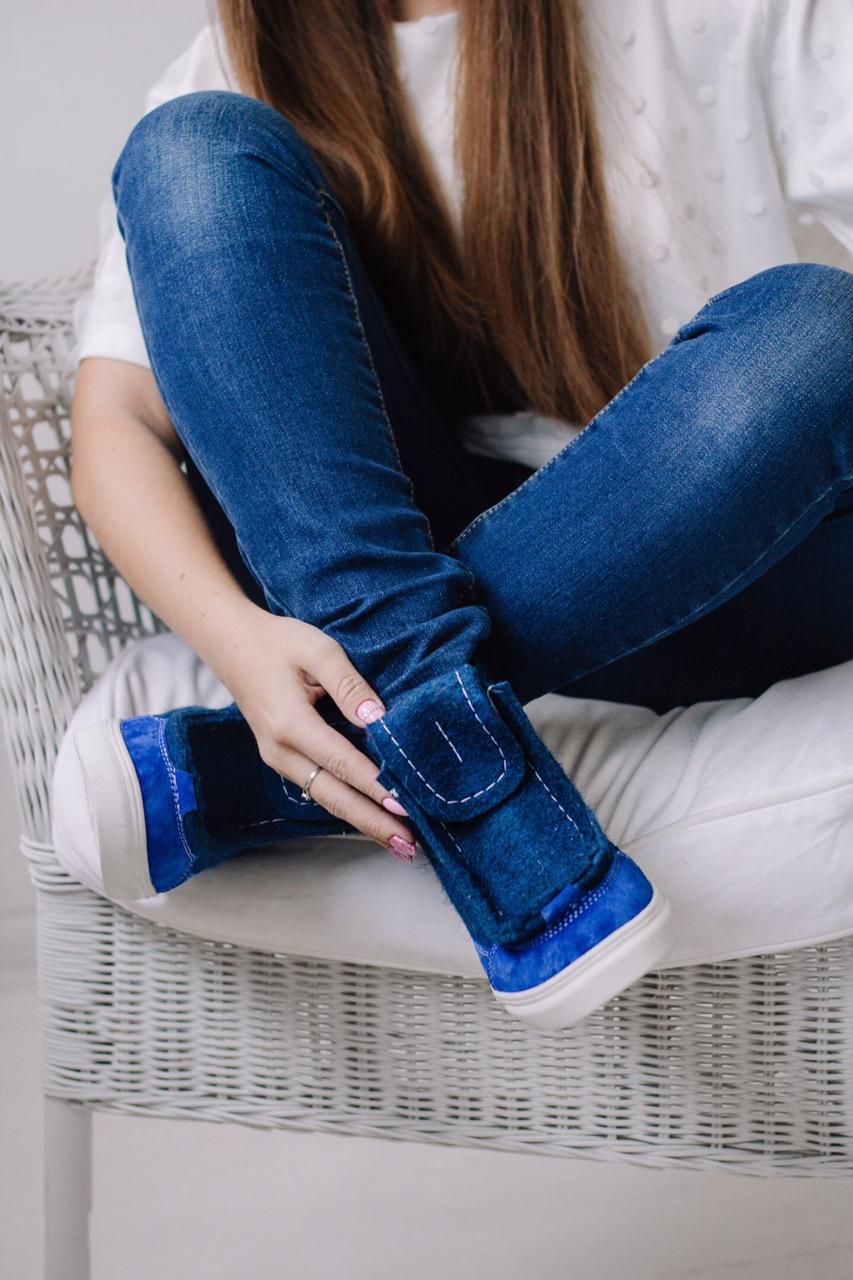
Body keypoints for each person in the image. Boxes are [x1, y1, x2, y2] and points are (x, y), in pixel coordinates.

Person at [69, 1, 853, 1029]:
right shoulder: (236, 58)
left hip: (718, 554)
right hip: (376, 536)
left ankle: (264, 771)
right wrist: (238, 643)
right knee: (189, 148)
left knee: (819, 330)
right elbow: (118, 424)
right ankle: (439, 734)